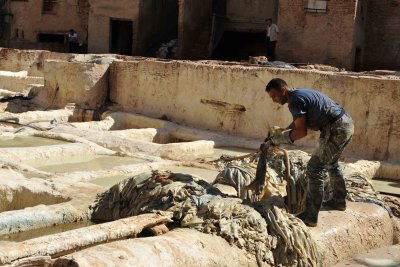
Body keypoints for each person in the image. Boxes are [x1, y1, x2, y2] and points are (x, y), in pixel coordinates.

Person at [265, 78, 354, 227]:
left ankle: (311, 216)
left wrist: (278, 139)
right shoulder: (298, 94)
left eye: (274, 96)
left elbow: (301, 131)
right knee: (331, 164)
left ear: (283, 90)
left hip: (336, 128)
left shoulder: (295, 101)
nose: (273, 100)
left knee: (314, 168)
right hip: (346, 124)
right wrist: (283, 132)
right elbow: (297, 123)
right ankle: (339, 201)